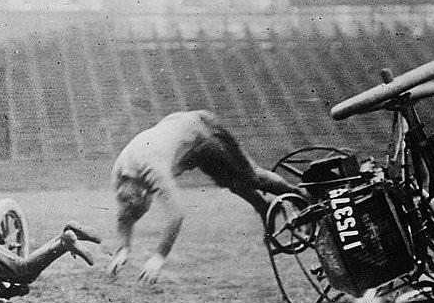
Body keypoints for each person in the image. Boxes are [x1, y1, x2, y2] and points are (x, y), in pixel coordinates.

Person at [107, 109, 306, 284]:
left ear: (142, 192)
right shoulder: (121, 177)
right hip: (184, 139)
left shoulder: (150, 168)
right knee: (231, 184)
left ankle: (301, 196)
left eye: (143, 202)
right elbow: (125, 215)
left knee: (250, 177)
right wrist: (124, 247)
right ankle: (264, 207)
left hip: (203, 132)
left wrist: (159, 257)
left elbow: (177, 214)